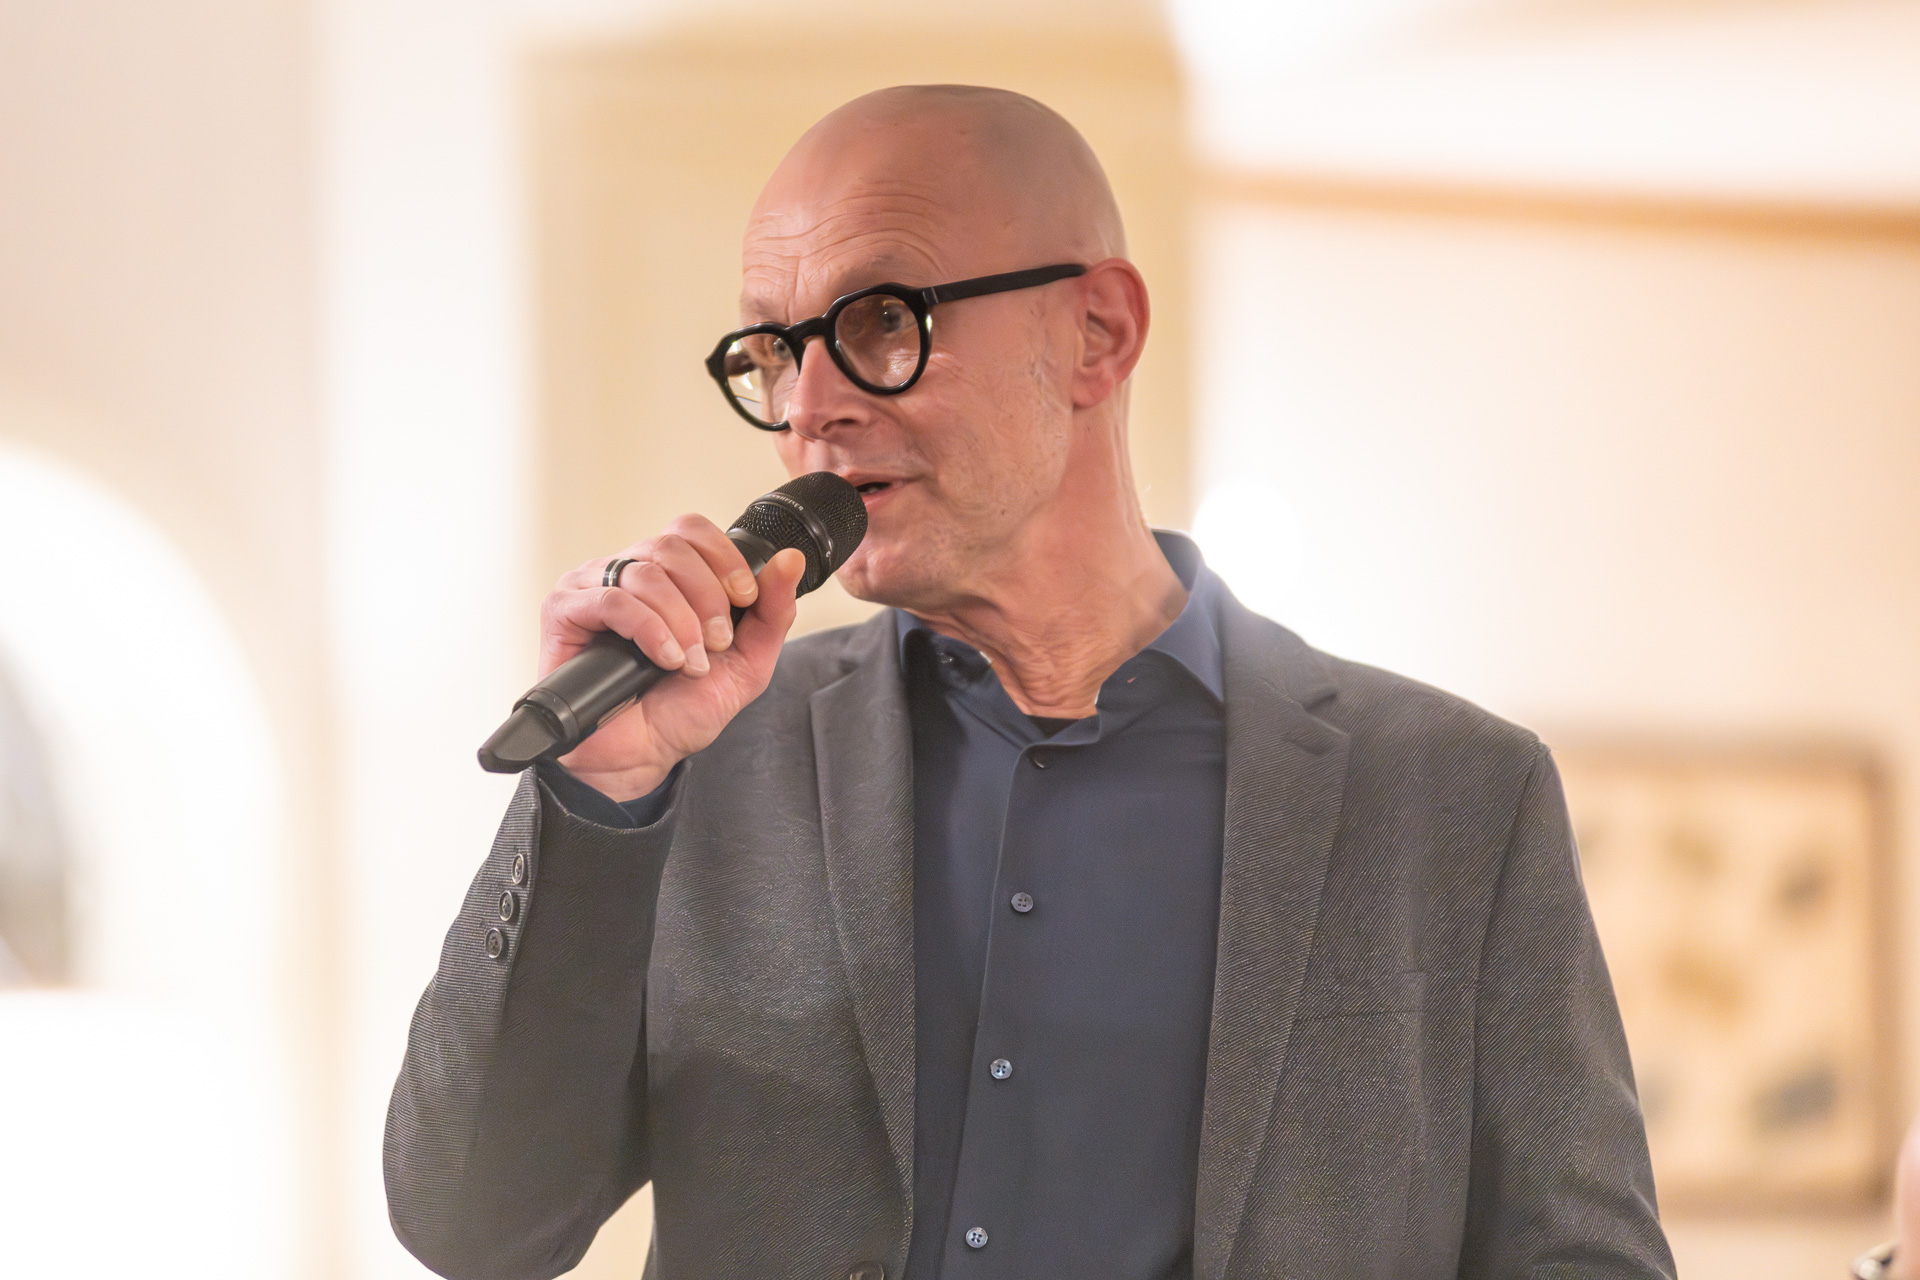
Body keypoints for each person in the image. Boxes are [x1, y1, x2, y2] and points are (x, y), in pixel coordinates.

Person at [385, 85, 1675, 1280]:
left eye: (880, 322)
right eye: (773, 350)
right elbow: (474, 1223)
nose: (809, 407)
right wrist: (599, 792)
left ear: (1098, 334)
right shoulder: (701, 758)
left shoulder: (1454, 795)